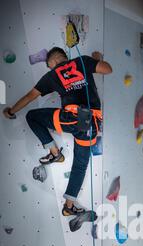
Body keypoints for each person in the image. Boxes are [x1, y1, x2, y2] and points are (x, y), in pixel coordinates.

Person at [3, 47, 112, 216]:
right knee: (80, 165)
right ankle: (69, 206)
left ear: (52, 62)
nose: (50, 68)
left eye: (49, 65)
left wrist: (11, 111)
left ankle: (55, 152)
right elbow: (108, 69)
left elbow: (28, 97)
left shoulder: (52, 75)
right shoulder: (82, 61)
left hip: (69, 118)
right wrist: (97, 59)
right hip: (92, 125)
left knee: (32, 116)